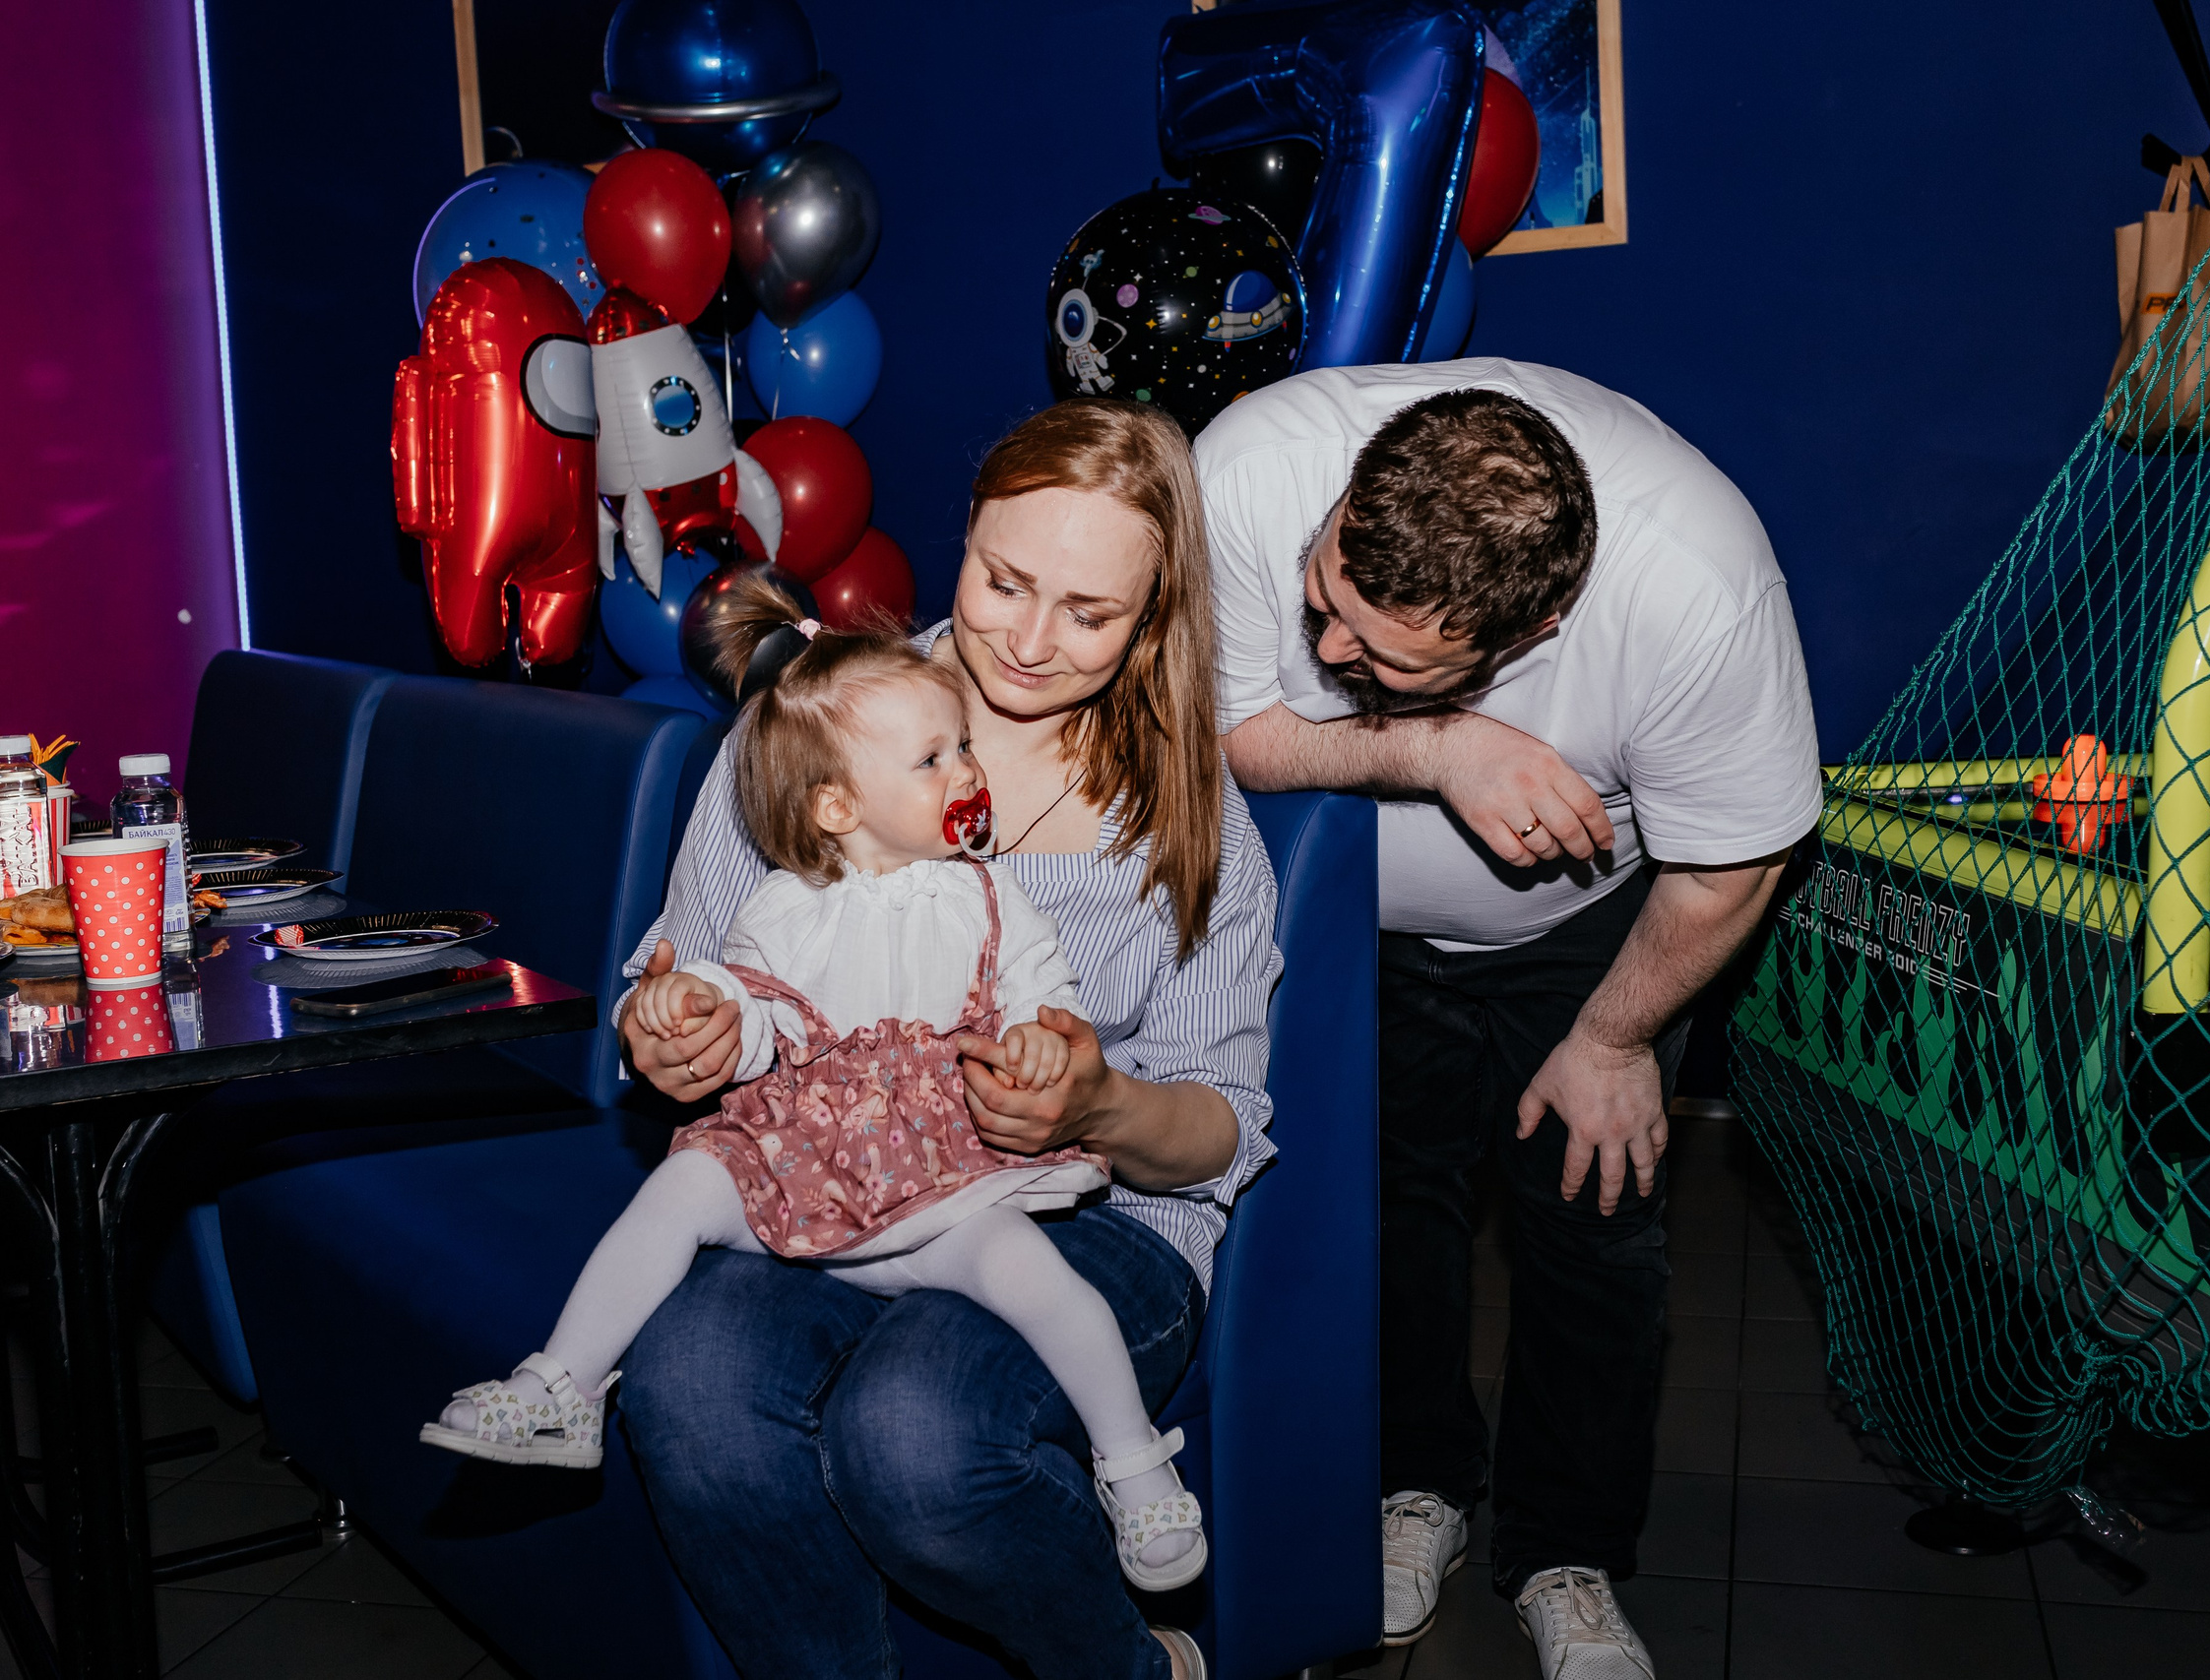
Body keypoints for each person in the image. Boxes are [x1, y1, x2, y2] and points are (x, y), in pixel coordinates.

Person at [612, 400, 1281, 1680]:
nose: (1027, 641)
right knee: (687, 1384)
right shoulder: (807, 723)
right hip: (829, 1176)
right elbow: (682, 963)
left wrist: (1096, 1103)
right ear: (962, 538)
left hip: (1102, 1217)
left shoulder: (1188, 812)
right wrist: (676, 1025)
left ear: (1153, 618)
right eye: (1002, 580)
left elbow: (1219, 1125)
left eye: (1087, 611)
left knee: (916, 1432)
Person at [1199, 359, 1821, 1678]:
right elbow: (1239, 731)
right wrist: (1434, 742)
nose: (1328, 655)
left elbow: (1739, 861)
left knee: (1594, 1222)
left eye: (1385, 658)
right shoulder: (1251, 466)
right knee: (1378, 1210)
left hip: (1583, 941)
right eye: (1328, 599)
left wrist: (1616, 1040)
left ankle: (1563, 1551)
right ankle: (1412, 1486)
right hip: (1340, 921)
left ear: (1535, 634)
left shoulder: (1695, 586)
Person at [420, 598, 1205, 1591]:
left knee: (1044, 1284)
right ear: (838, 806)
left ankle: (1133, 1463)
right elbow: (753, 1015)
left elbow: (1042, 996)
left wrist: (1039, 1044)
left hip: (945, 1184)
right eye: (933, 759)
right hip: (811, 1183)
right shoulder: (782, 910)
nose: (967, 771)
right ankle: (561, 1385)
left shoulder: (990, 898)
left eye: (963, 746)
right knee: (681, 1188)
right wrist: (689, 1003)